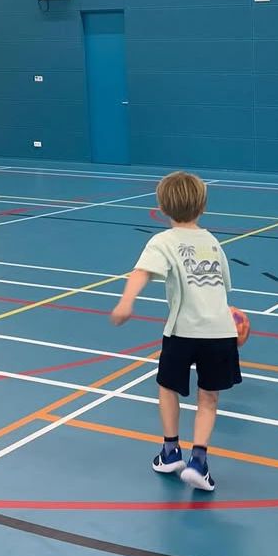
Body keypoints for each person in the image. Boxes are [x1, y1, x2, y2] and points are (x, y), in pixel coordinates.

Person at [110, 171, 240, 491]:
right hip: (221, 332)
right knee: (208, 397)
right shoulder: (212, 242)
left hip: (183, 331)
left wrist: (126, 302)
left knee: (168, 387)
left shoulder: (163, 241)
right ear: (203, 206)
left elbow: (141, 272)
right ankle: (199, 460)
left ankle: (170, 451)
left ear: (163, 208)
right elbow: (223, 286)